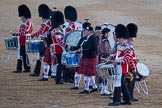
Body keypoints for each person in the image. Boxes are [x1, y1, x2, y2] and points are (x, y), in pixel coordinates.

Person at [108, 24, 133, 106]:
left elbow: (127, 59)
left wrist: (118, 61)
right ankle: (128, 99)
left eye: (119, 38)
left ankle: (117, 100)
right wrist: (111, 57)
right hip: (118, 66)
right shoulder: (119, 45)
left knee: (118, 82)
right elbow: (117, 54)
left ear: (123, 38)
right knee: (122, 83)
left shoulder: (127, 47)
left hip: (123, 67)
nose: (118, 40)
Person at [29, 4, 51, 77]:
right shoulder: (50, 22)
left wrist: (32, 35)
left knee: (39, 56)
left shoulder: (45, 23)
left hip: (44, 42)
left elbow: (40, 31)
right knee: (48, 57)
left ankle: (37, 71)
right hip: (49, 42)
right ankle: (50, 72)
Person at [77, 22, 98, 94]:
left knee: (87, 74)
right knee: (89, 74)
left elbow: (92, 49)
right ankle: (94, 87)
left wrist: (83, 50)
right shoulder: (88, 38)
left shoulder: (93, 38)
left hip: (90, 57)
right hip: (88, 57)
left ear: (90, 31)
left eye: (86, 30)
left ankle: (86, 89)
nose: (84, 31)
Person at [11, 4, 33, 73]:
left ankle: (20, 68)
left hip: (23, 41)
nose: (21, 18)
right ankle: (26, 68)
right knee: (23, 54)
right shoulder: (29, 23)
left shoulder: (24, 24)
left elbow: (22, 33)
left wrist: (14, 34)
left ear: (24, 16)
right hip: (24, 40)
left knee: (21, 54)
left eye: (22, 16)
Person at [63, 5, 79, 83]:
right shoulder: (70, 25)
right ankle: (68, 77)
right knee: (68, 62)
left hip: (71, 45)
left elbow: (71, 36)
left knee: (71, 63)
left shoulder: (72, 26)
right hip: (69, 45)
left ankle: (70, 77)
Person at [51, 11, 66, 84]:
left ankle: (58, 78)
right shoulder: (57, 31)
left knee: (59, 64)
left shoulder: (54, 30)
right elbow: (59, 41)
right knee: (60, 65)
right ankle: (58, 79)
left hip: (57, 49)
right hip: (59, 49)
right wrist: (66, 45)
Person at [126, 23, 139, 102]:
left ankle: (130, 96)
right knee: (131, 82)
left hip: (131, 65)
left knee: (130, 82)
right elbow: (130, 58)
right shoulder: (129, 45)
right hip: (130, 66)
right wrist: (133, 67)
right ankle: (129, 97)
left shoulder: (129, 44)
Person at [98, 28, 112, 96]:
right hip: (105, 60)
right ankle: (104, 90)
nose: (109, 34)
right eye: (108, 33)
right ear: (106, 33)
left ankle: (103, 89)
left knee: (104, 75)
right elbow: (106, 51)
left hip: (101, 59)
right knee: (106, 75)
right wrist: (110, 55)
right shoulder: (105, 41)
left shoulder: (100, 38)